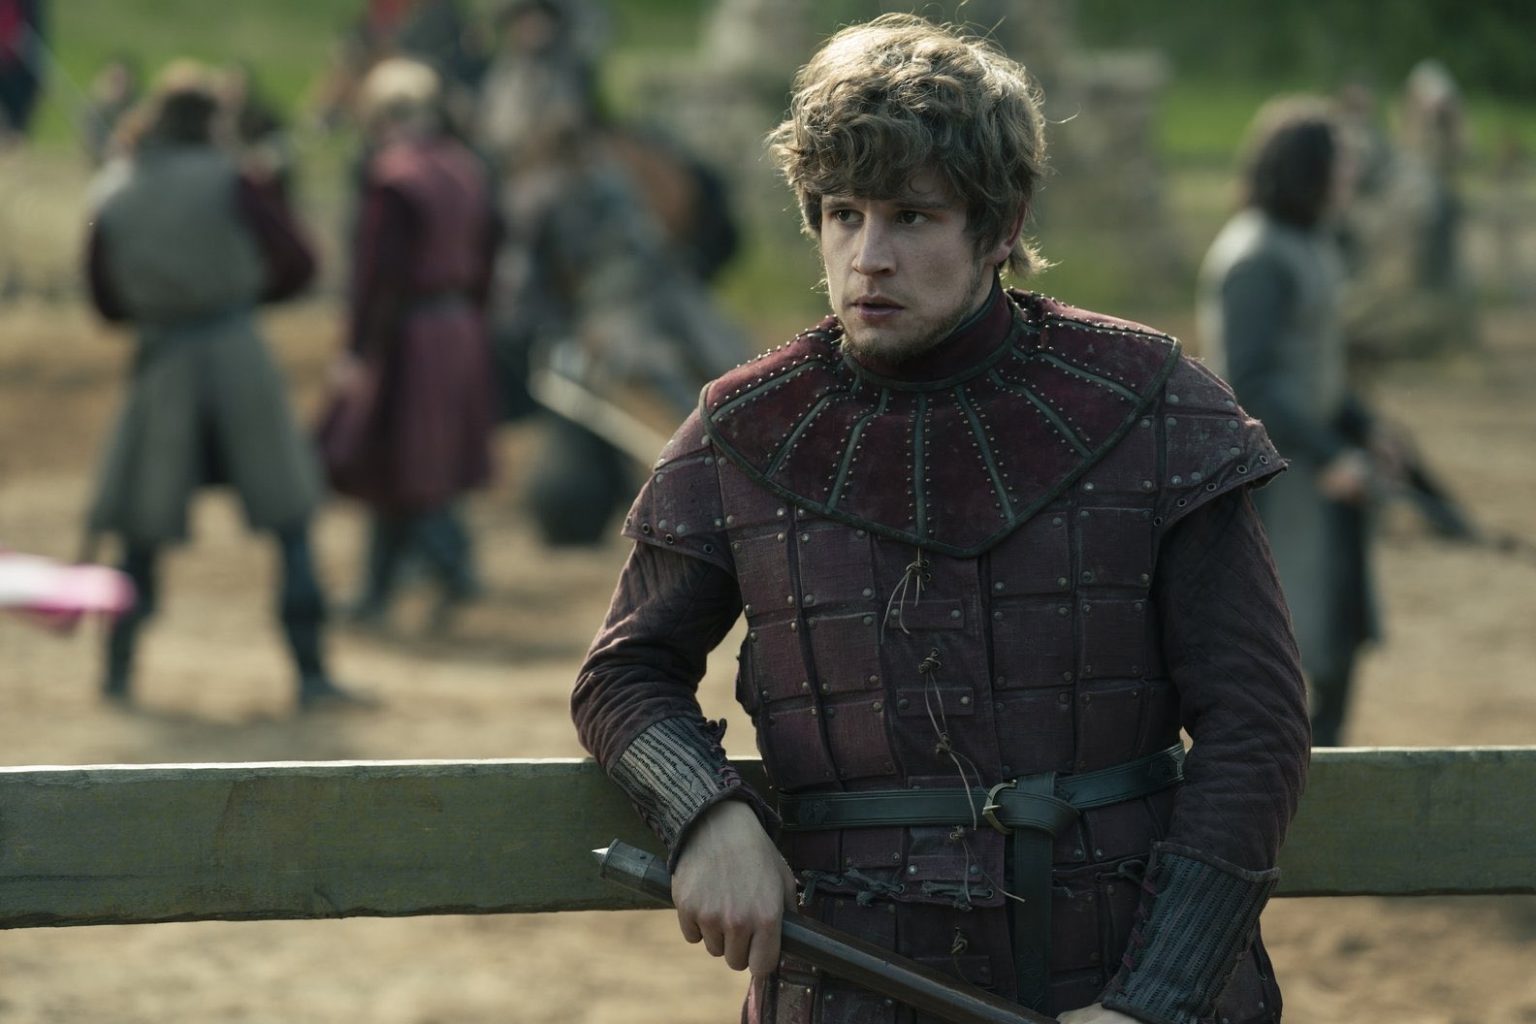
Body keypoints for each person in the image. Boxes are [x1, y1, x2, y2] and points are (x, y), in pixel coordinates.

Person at [573, 15, 1310, 1024]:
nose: (868, 257)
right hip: (849, 981)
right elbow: (623, 673)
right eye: (842, 214)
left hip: (1115, 972)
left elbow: (1256, 721)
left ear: (1001, 228)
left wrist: (1155, 1001)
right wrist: (703, 811)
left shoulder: (1153, 404)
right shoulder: (745, 429)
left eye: (912, 217)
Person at [85, 62, 363, 711]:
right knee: (289, 520)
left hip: (162, 361)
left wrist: (163, 307)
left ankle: (117, 670)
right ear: (211, 122)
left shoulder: (114, 190)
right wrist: (239, 295)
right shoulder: (235, 180)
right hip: (238, 355)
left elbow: (104, 300)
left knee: (140, 530)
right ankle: (311, 674)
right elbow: (300, 261)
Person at [1197, 98, 1395, 749]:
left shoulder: (1308, 243)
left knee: (1338, 629)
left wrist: (1363, 429)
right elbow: (1252, 381)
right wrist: (1331, 453)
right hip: (1281, 479)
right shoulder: (1256, 256)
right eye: (1342, 163)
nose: (1351, 176)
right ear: (1310, 168)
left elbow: (1314, 368)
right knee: (1292, 637)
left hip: (1323, 468)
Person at [318, 57, 497, 630]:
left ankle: (454, 567)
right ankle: (376, 590)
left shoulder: (395, 180)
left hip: (411, 333)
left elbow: (378, 274)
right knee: (398, 463)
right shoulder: (465, 168)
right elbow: (489, 255)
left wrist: (356, 349)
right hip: (458, 325)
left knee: (408, 463)